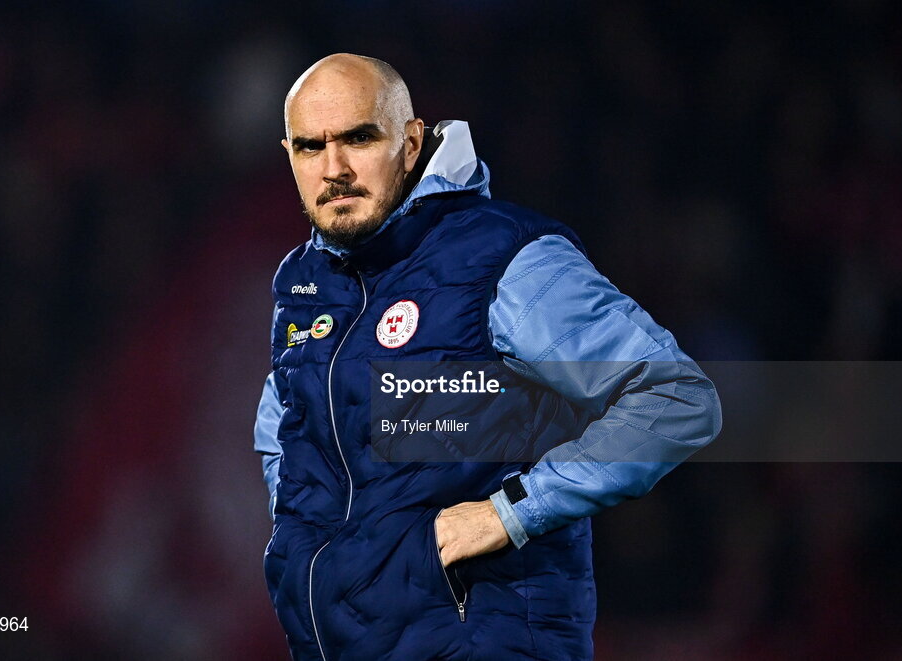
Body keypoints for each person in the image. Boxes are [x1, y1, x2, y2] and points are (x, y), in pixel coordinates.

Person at [254, 53, 721, 660]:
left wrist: (511, 514)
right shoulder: (306, 282)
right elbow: (285, 427)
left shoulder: (504, 257)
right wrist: (302, 551)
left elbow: (677, 398)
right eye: (311, 147)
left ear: (412, 140)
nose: (335, 167)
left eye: (359, 138)